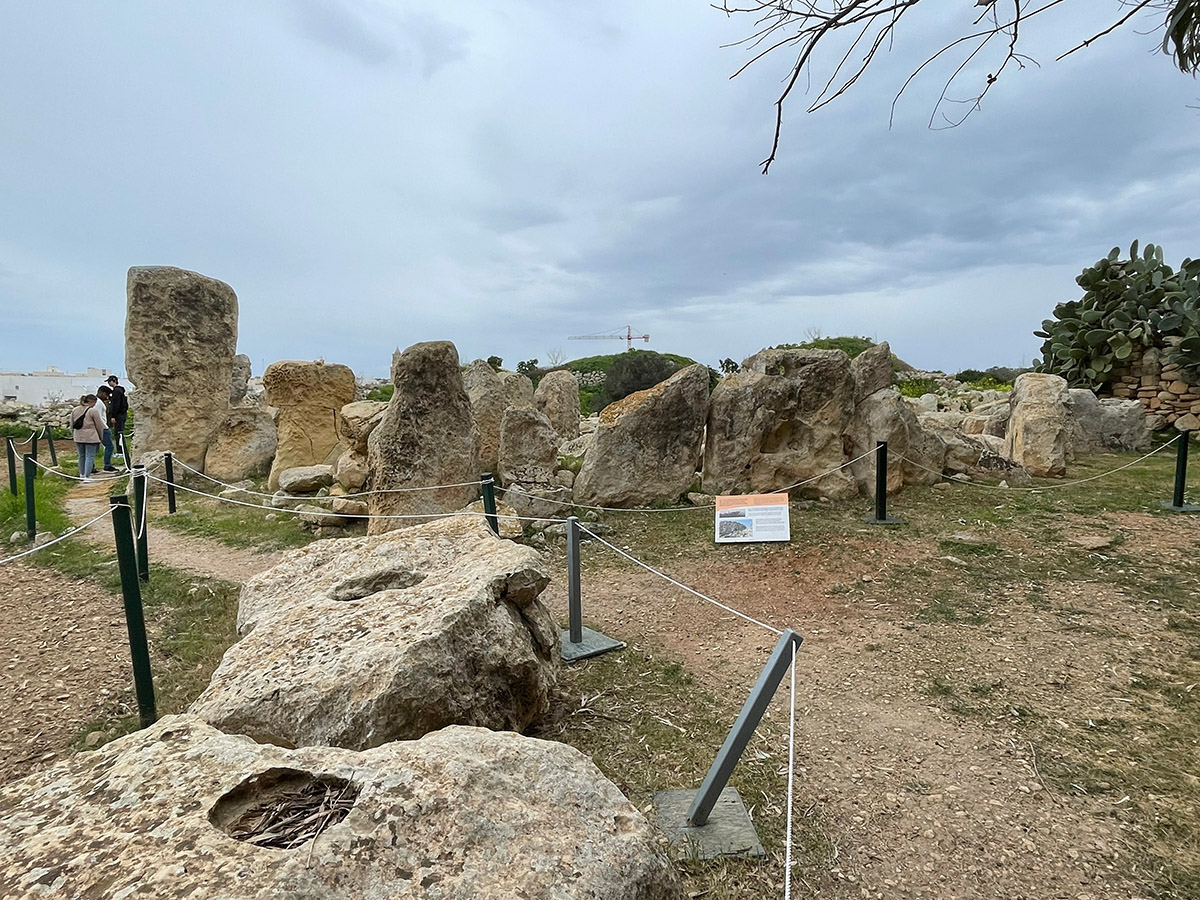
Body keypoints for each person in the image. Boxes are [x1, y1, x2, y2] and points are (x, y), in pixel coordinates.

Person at [69, 394, 106, 481]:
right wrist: (101, 436)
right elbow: (99, 425)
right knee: (90, 456)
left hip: (78, 436)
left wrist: (73, 434)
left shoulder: (75, 410)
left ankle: (81, 474)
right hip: (91, 436)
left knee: (81, 455)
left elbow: (71, 424)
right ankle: (87, 475)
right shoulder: (93, 411)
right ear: (92, 402)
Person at [105, 375, 129, 463]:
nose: (109, 383)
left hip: (118, 415)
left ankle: (120, 451)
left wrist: (113, 416)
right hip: (123, 414)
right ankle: (121, 450)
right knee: (119, 432)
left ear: (114, 381)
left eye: (109, 381)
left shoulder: (116, 391)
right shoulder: (120, 391)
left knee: (118, 433)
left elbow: (116, 405)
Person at [95, 385, 117, 472]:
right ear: (101, 393)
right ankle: (107, 465)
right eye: (106, 395)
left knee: (95, 448)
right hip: (102, 427)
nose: (107, 397)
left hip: (100, 427)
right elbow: (98, 416)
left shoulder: (97, 402)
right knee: (109, 446)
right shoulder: (98, 403)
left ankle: (92, 466)